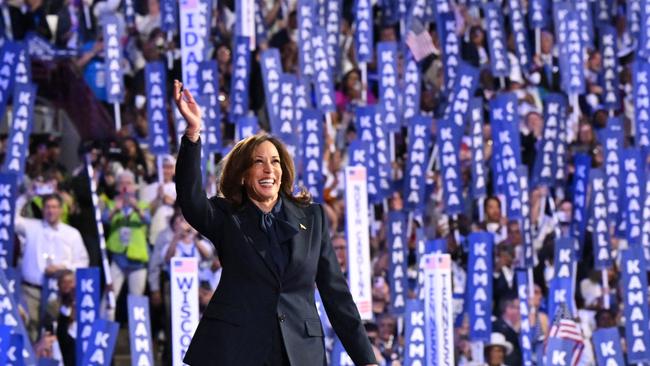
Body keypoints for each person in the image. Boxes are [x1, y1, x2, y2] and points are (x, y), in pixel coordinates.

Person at [173, 80, 378, 366]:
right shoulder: (226, 216)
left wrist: (366, 359)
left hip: (298, 351)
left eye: (275, 161)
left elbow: (336, 295)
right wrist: (193, 133)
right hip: (237, 350)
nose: (269, 169)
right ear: (244, 174)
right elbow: (190, 198)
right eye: (259, 162)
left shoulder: (313, 218)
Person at [14, 193, 89, 341]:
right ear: (42, 210)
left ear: (61, 210)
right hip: (31, 291)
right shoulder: (31, 226)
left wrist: (64, 267)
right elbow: (8, 218)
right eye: (47, 207)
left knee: (54, 334)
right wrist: (27, 195)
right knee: (30, 332)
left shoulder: (72, 234)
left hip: (59, 293)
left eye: (54, 207)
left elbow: (83, 261)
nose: (51, 210)